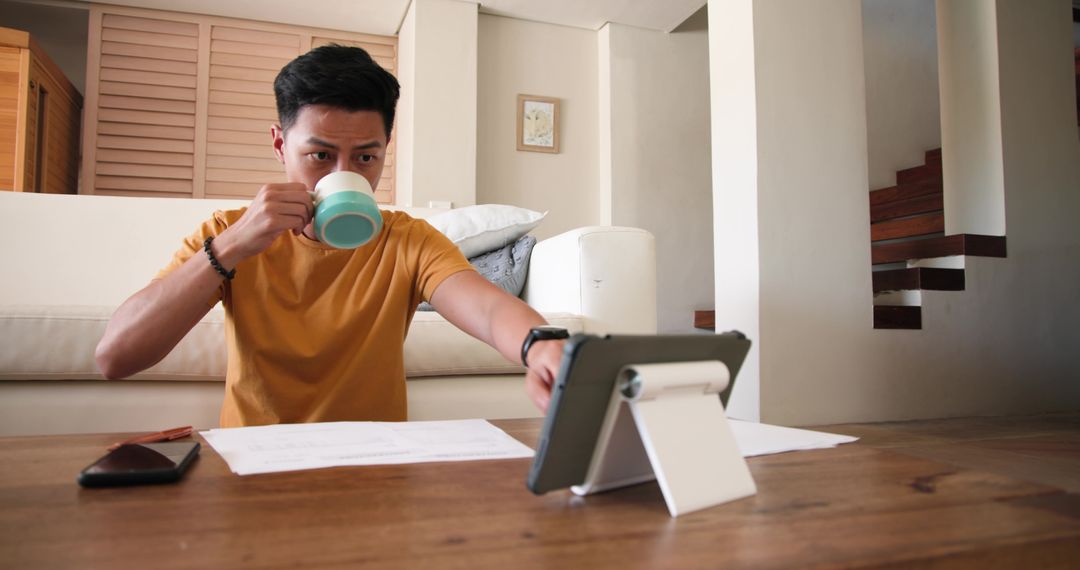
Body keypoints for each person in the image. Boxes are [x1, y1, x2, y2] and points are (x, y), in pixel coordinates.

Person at [94, 45, 566, 427]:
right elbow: (115, 358)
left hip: (371, 466)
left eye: (365, 158)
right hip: (253, 466)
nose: (344, 173)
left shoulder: (407, 241)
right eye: (320, 156)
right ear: (280, 144)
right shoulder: (227, 233)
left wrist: (540, 345)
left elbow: (488, 309)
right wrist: (232, 247)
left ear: (384, 150)